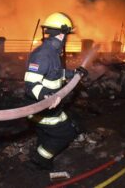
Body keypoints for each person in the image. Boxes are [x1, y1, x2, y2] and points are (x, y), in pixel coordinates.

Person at [24, 12, 88, 170]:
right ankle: (39, 159)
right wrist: (48, 96)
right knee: (66, 134)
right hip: (42, 108)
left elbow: (55, 73)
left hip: (49, 106)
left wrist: (75, 73)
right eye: (68, 35)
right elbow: (30, 84)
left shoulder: (52, 52)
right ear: (62, 34)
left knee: (45, 133)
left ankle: (41, 152)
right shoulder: (42, 55)